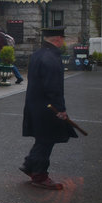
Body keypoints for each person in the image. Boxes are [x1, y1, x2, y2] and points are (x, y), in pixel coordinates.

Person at [19, 26, 77, 190]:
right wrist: (60, 109)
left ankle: (30, 164)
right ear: (58, 39)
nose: (63, 42)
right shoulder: (51, 58)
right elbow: (53, 87)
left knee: (43, 138)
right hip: (47, 108)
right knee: (47, 140)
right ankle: (39, 175)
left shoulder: (38, 54)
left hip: (35, 105)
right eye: (63, 39)